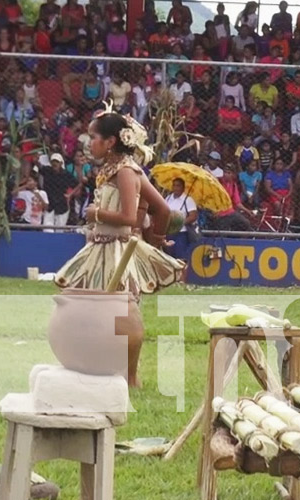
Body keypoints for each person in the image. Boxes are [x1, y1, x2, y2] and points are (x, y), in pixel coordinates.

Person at [55, 107, 186, 387]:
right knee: (86, 306)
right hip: (99, 248)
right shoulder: (112, 169)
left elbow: (132, 218)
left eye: (93, 137)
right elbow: (154, 209)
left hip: (116, 251)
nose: (89, 143)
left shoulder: (126, 171)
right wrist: (153, 236)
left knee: (121, 310)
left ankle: (130, 377)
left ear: (111, 141)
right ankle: (94, 365)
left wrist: (98, 215)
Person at [40, 153, 78, 231]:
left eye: (57, 162)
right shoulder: (47, 171)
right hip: (49, 205)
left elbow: (78, 184)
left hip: (62, 205)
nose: (54, 163)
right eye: (53, 161)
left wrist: (70, 194)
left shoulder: (66, 174)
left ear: (61, 163)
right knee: (47, 229)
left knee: (59, 230)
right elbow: (39, 167)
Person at [214, 166, 254, 230]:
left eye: (228, 173)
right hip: (219, 213)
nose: (225, 174)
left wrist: (247, 211)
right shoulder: (218, 182)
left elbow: (237, 203)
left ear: (233, 174)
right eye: (225, 172)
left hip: (230, 212)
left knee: (245, 223)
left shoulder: (233, 185)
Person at [164, 177, 197, 254]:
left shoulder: (188, 200)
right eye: (174, 185)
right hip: (168, 232)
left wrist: (180, 222)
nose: (175, 188)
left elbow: (193, 216)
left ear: (183, 187)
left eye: (178, 186)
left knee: (180, 256)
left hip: (181, 233)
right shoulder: (168, 198)